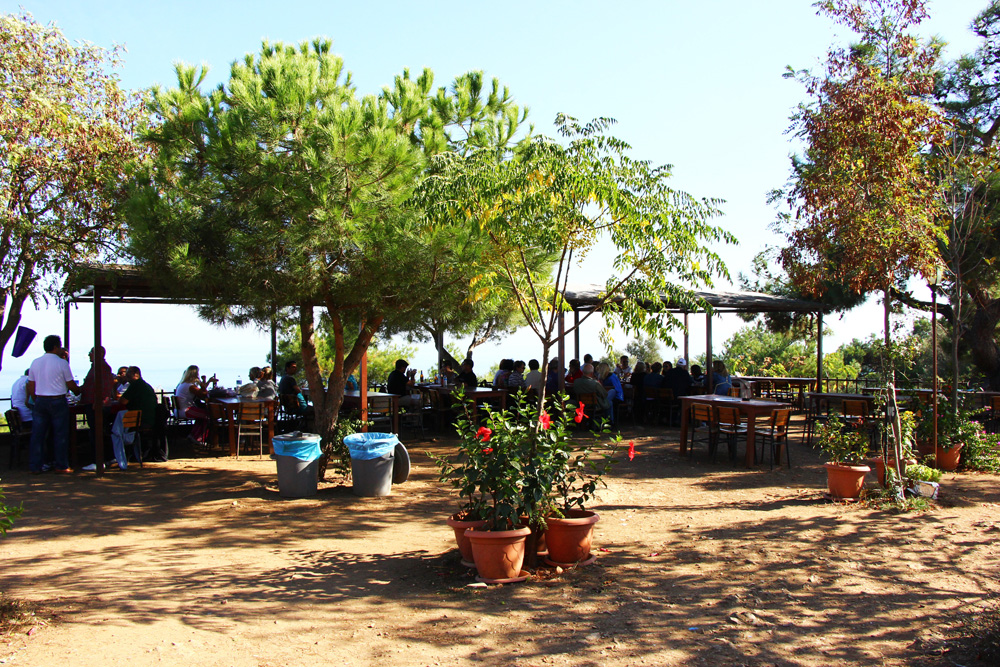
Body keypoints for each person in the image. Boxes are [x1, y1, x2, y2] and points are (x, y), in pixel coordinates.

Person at [27, 335, 81, 474]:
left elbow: (31, 385)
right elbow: (70, 384)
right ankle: (61, 465)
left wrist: (37, 398)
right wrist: (78, 391)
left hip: (40, 400)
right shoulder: (62, 363)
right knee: (60, 434)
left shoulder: (35, 362)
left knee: (38, 435)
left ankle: (35, 466)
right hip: (58, 400)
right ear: (56, 347)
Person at [104, 366, 160, 469]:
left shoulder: (135, 385)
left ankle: (114, 457)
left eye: (128, 375)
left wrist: (113, 386)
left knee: (112, 430)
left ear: (136, 374)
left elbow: (122, 401)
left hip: (138, 421)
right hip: (148, 419)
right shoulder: (145, 385)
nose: (127, 377)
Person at [175, 365, 212, 443]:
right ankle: (198, 438)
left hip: (179, 410)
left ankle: (193, 435)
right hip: (186, 410)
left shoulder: (183, 384)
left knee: (202, 415)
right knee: (209, 416)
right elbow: (203, 394)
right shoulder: (190, 386)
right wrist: (202, 384)